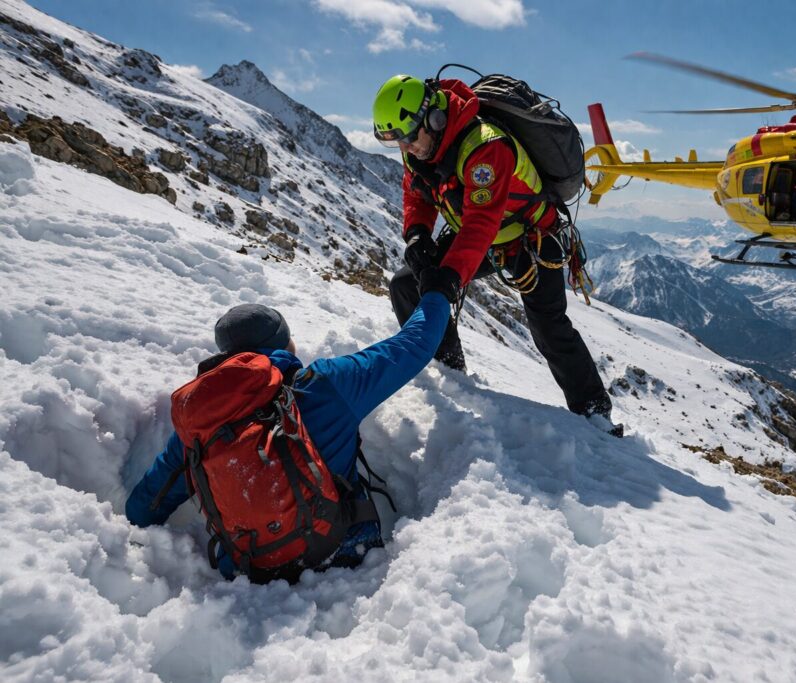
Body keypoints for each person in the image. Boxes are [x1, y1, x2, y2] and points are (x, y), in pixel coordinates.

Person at [125, 290, 451, 580]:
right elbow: (414, 344)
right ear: (285, 343)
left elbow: (144, 508)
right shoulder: (324, 384)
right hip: (344, 563)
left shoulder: (204, 421)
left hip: (251, 575)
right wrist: (436, 291)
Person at [372, 74, 619, 433]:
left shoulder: (486, 147)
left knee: (548, 325)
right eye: (397, 142)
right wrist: (417, 236)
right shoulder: (419, 149)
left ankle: (595, 412)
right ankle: (448, 372)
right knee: (407, 285)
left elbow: (480, 223)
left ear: (433, 118)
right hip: (488, 236)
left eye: (409, 137)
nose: (406, 148)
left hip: (532, 237)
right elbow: (417, 194)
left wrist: (449, 279)